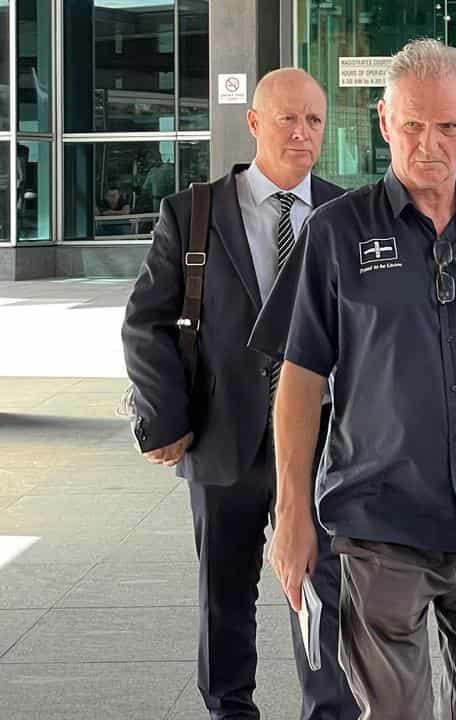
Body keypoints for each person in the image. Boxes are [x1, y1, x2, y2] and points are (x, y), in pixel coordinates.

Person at [264, 39, 456, 720]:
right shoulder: (335, 232)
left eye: (445, 126)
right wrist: (292, 511)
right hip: (381, 525)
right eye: (411, 125)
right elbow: (298, 378)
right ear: (384, 122)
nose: (427, 144)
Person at [121, 68, 356, 720]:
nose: (304, 132)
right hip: (223, 433)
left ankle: (329, 710)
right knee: (224, 591)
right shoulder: (193, 213)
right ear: (254, 123)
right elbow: (146, 324)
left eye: (314, 119)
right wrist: (165, 421)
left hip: (325, 437)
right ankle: (230, 708)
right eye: (288, 119)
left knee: (323, 586)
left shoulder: (346, 215)